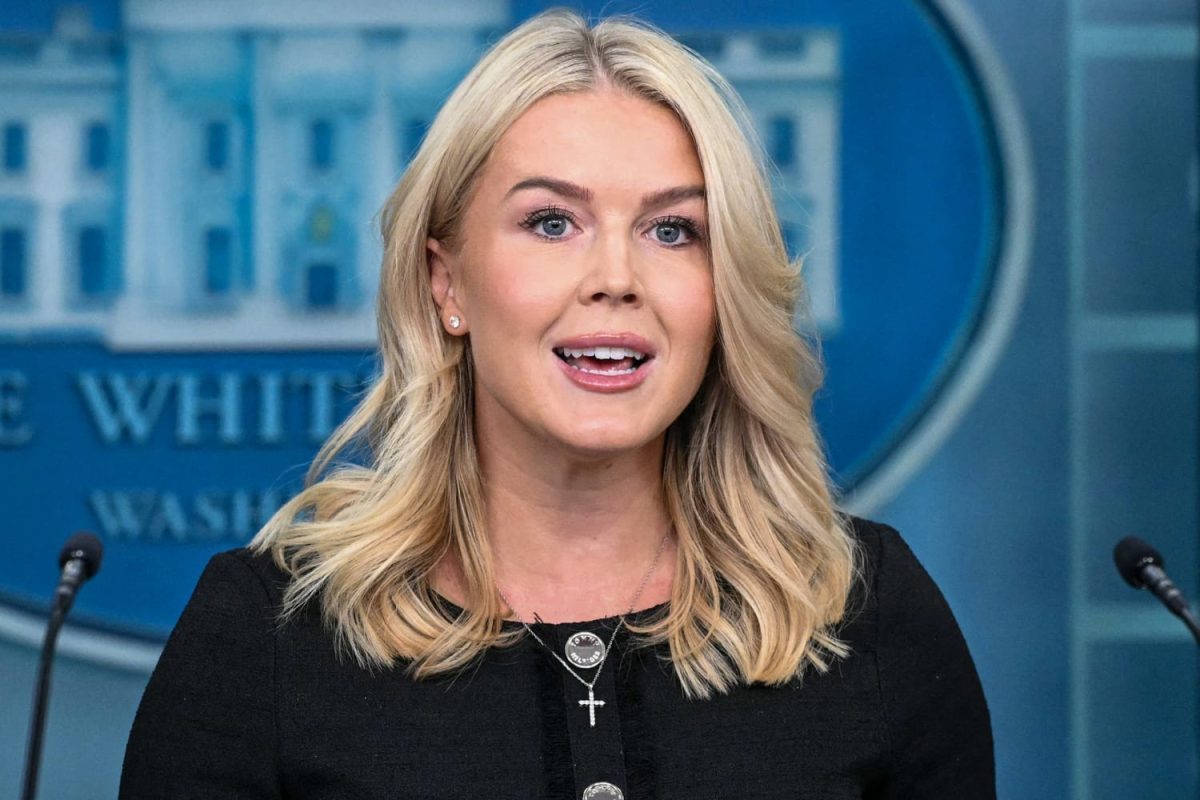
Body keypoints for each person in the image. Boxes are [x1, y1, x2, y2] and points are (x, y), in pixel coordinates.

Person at [120, 10, 994, 799]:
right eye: (551, 223)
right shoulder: (264, 635)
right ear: (447, 283)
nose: (615, 278)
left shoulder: (868, 613)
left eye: (672, 230)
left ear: (723, 290)